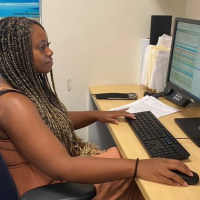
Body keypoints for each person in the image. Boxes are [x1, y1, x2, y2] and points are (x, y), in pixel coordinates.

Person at [0, 16, 193, 200]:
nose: (50, 52)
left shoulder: (12, 88)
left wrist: (97, 114)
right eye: (42, 47)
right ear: (17, 55)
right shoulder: (13, 104)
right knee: (149, 179)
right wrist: (138, 168)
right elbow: (63, 166)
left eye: (48, 45)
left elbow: (46, 122)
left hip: (51, 180)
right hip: (50, 189)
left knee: (127, 154)